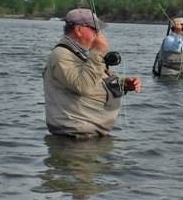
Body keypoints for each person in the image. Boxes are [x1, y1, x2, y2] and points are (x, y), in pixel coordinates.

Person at [42, 8, 142, 138]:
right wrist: (98, 52)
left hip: (90, 138)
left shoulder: (81, 53)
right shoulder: (61, 55)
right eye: (95, 29)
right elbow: (82, 86)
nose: (99, 34)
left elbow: (94, 79)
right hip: (73, 141)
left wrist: (123, 84)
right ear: (78, 30)